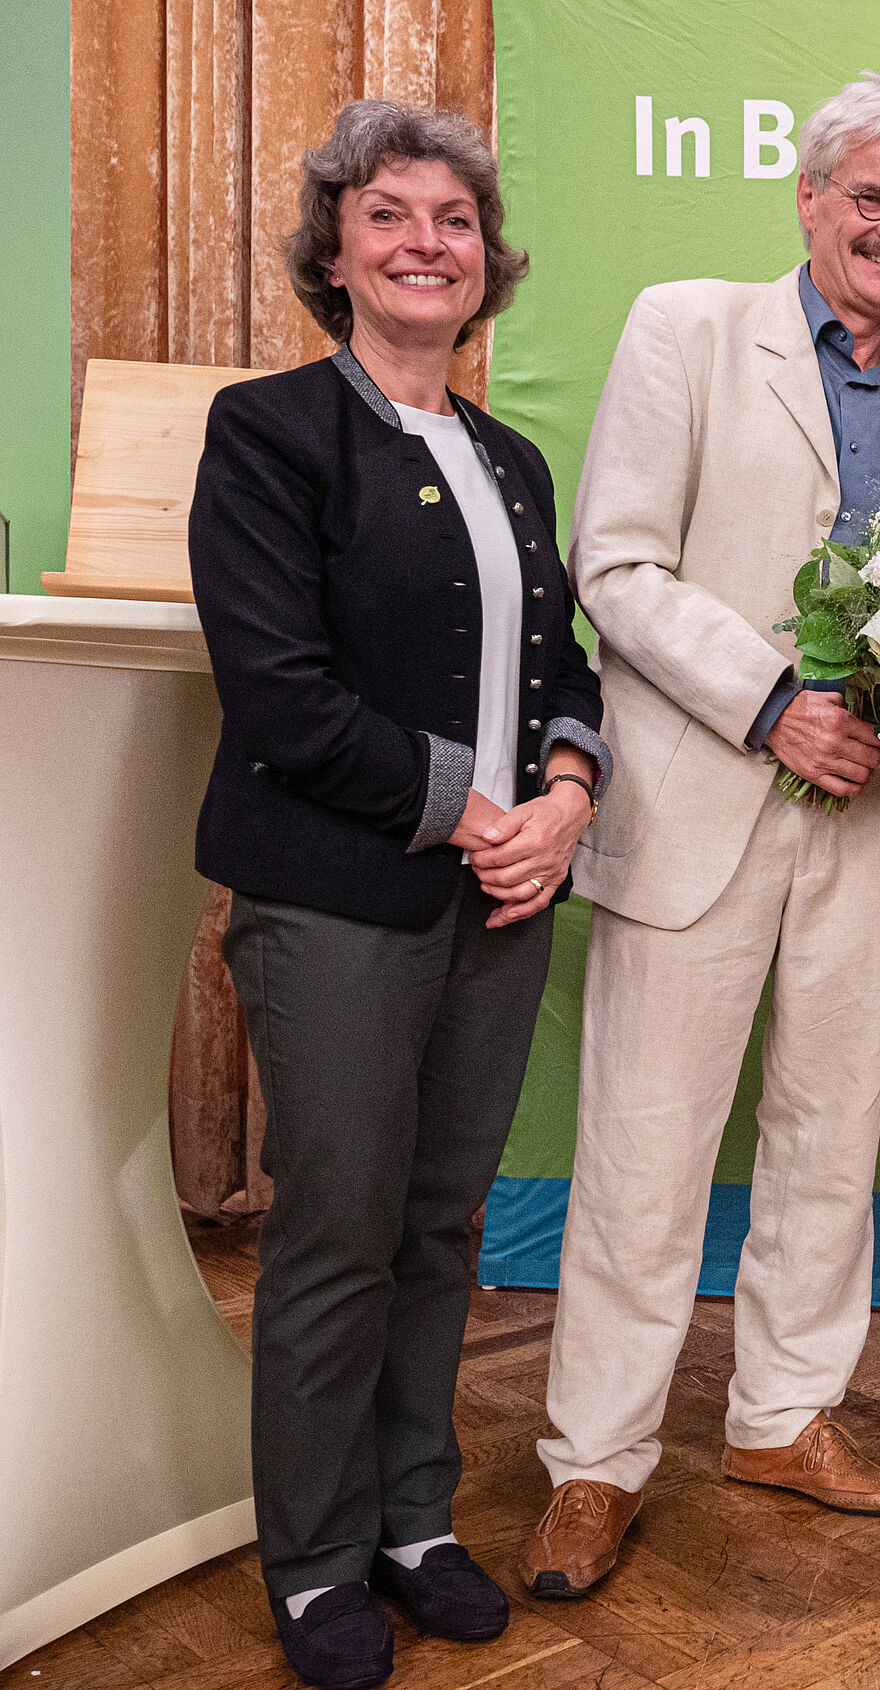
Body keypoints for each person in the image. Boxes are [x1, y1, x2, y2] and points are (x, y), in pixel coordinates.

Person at [519, 72, 880, 1599]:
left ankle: (784, 1411)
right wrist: (769, 704)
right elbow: (612, 562)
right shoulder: (685, 330)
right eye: (870, 199)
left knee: (826, 1140)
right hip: (702, 803)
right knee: (644, 1149)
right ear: (808, 199)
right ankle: (595, 1461)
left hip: (875, 821)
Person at [189, 100, 608, 1688]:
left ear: (485, 262)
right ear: (336, 251)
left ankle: (412, 1519)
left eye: (451, 220)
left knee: (442, 1228)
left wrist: (563, 798)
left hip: (500, 901)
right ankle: (311, 1556)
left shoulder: (511, 458)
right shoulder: (271, 433)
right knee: (336, 1237)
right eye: (390, 216)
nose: (425, 241)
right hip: (340, 903)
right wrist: (479, 811)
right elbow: (282, 697)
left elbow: (565, 662)